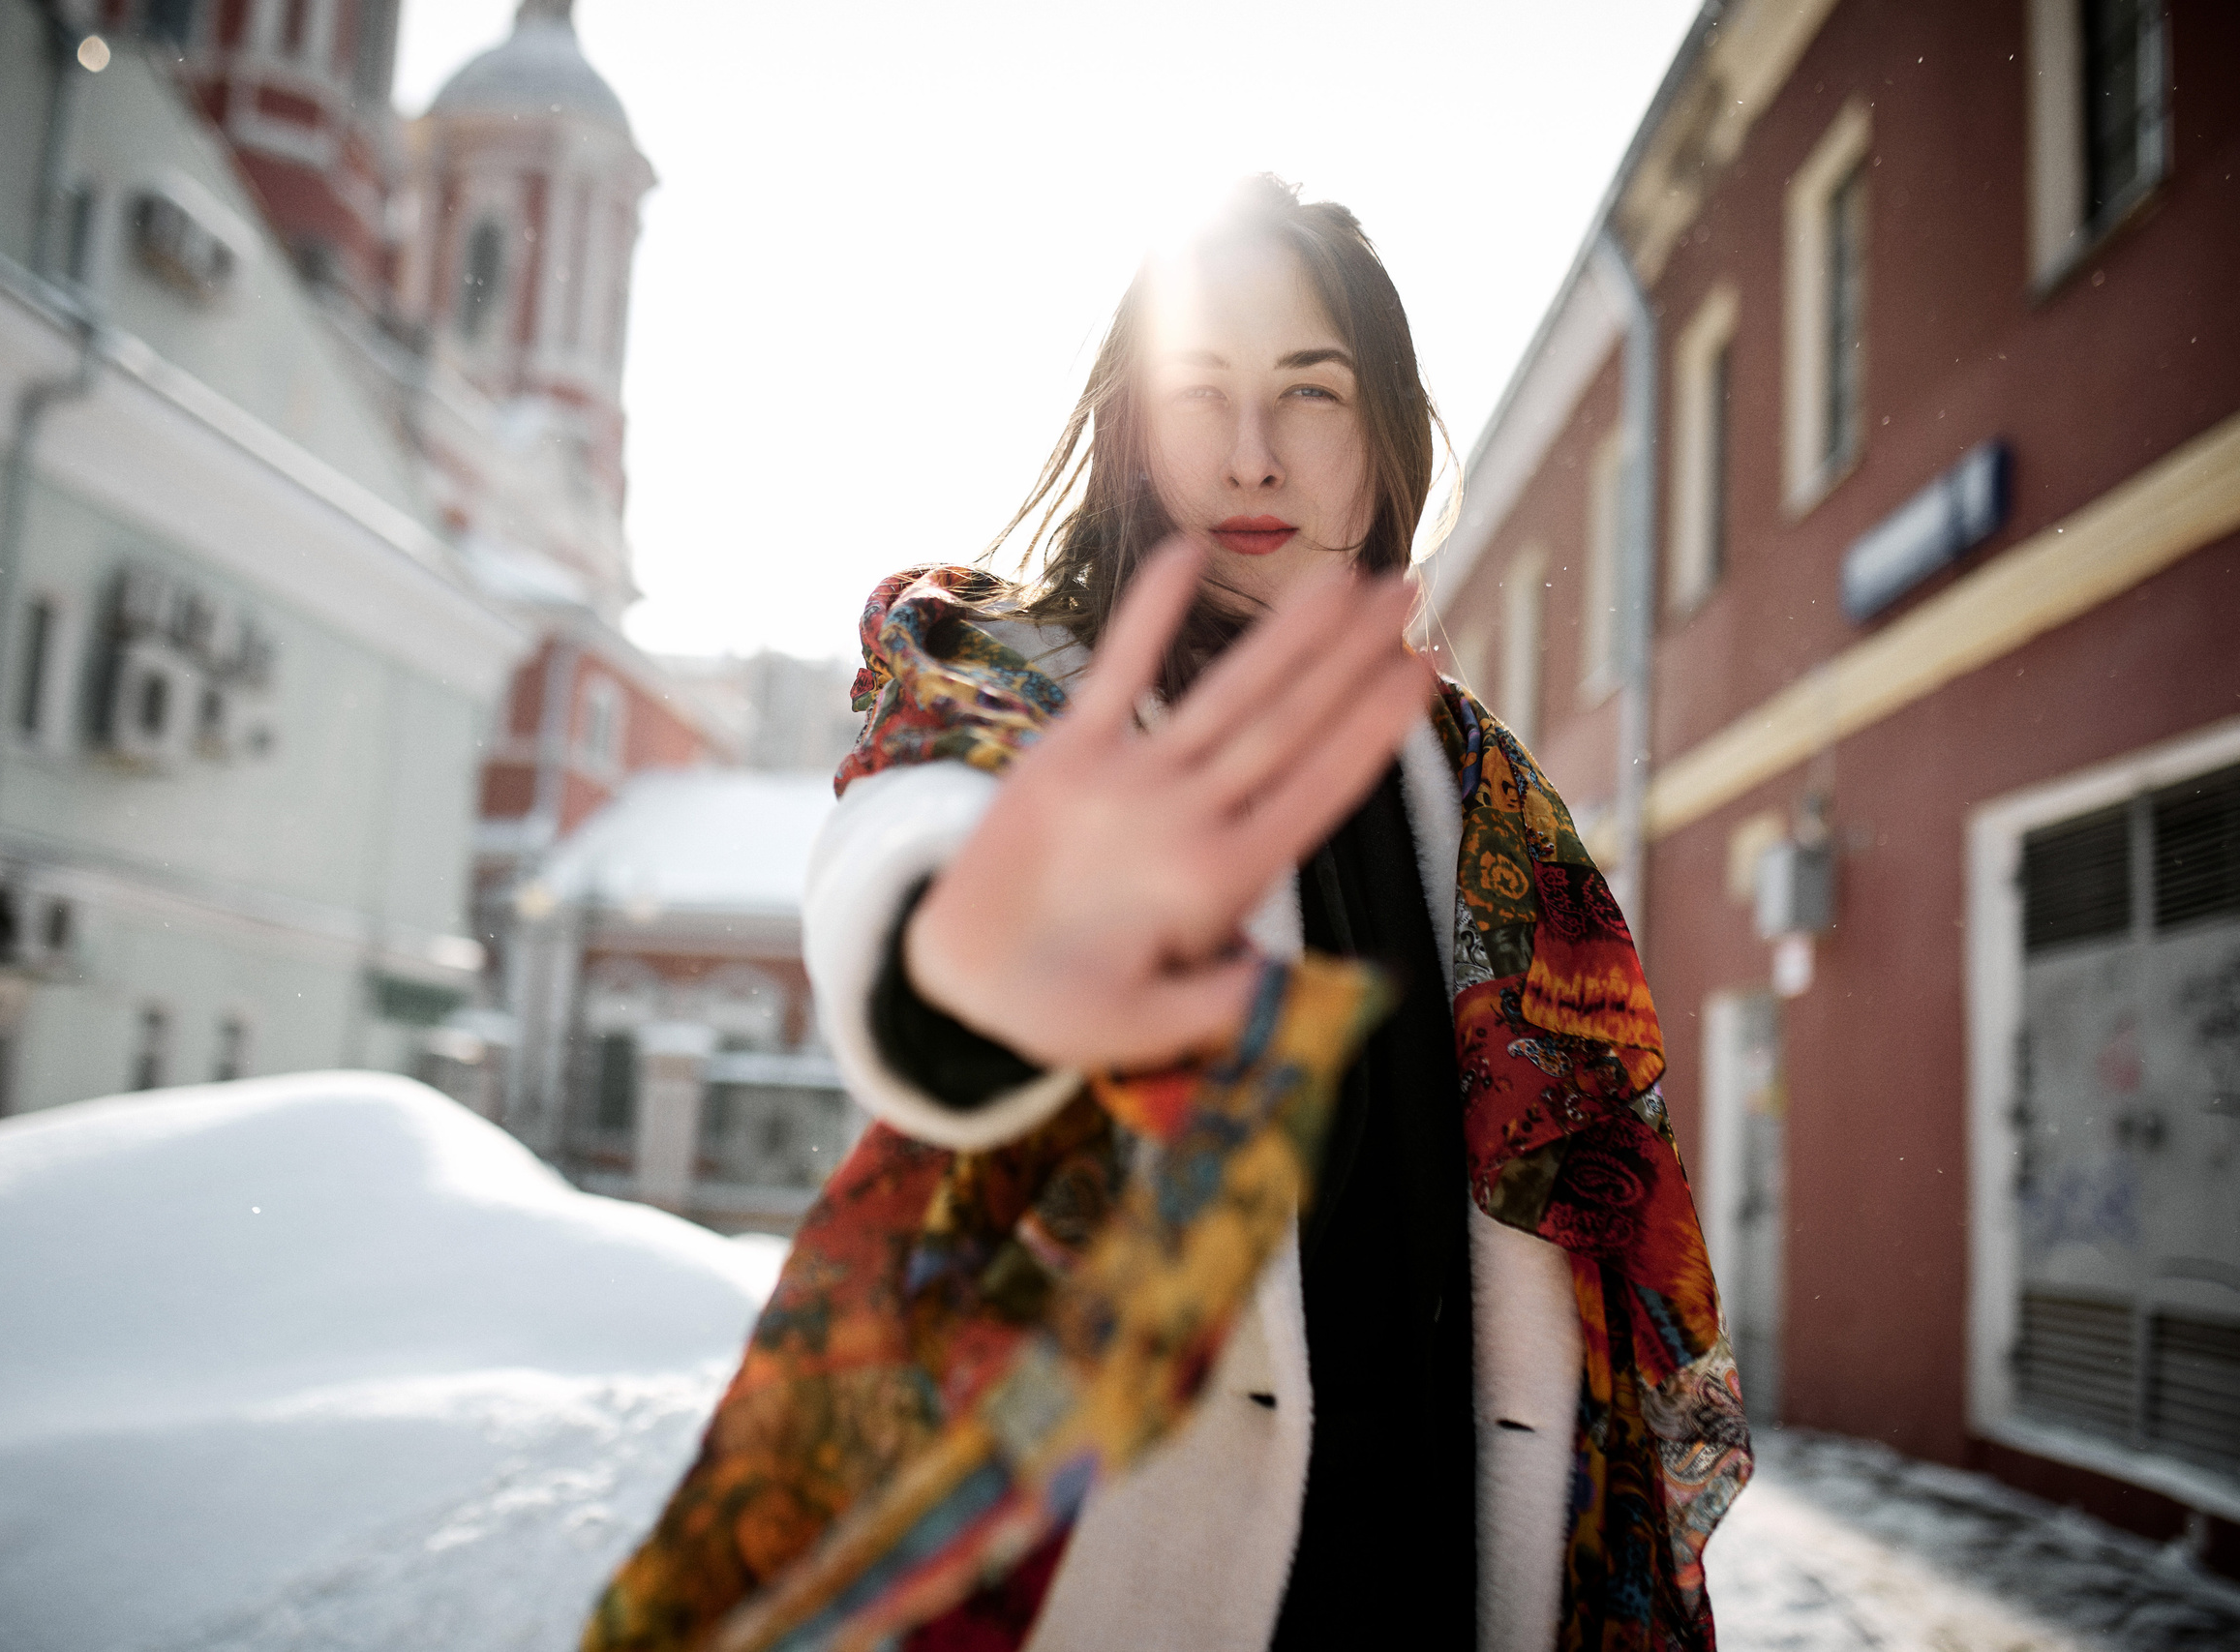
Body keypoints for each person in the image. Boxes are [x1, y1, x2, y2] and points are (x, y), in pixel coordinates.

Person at [585, 176, 1746, 1652]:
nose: (1252, 457)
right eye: (1200, 393)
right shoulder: (1030, 679)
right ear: (1135, 433)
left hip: (1444, 1580)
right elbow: (931, 808)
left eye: (1311, 394)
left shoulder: (1491, 798)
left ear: (1387, 438)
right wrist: (958, 959)